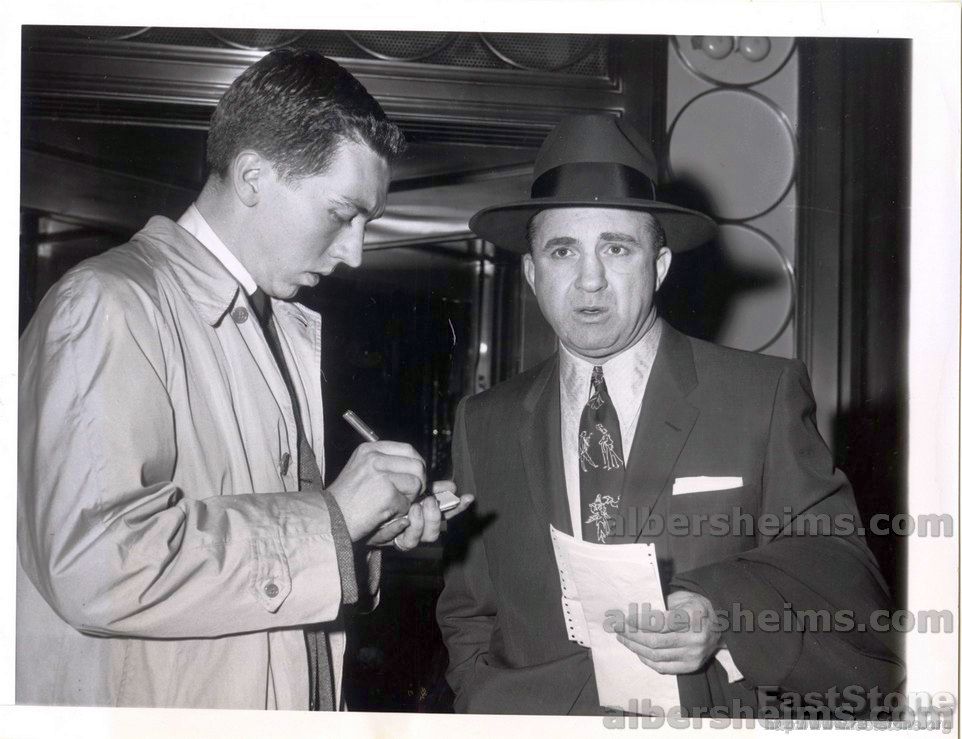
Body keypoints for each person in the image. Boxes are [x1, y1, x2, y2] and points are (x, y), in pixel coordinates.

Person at [17, 48, 471, 710]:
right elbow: (95, 563)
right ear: (253, 177)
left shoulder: (271, 321)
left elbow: (237, 557)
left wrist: (356, 534)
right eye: (341, 213)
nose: (354, 251)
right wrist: (333, 518)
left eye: (365, 223)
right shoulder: (109, 303)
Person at [436, 114, 903, 717]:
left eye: (617, 248)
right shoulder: (484, 421)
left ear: (658, 266)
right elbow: (469, 611)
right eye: (562, 250)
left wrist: (722, 613)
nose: (590, 280)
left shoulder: (760, 395)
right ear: (532, 272)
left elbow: (842, 575)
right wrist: (482, 703)